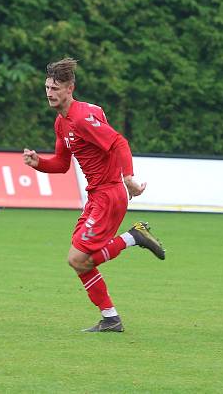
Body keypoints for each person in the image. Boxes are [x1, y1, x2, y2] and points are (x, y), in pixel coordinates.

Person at [23, 58, 165, 332]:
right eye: (47, 87)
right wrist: (38, 162)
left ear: (69, 88)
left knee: (77, 258)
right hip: (96, 197)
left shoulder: (81, 117)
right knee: (80, 262)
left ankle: (133, 237)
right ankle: (110, 318)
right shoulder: (62, 123)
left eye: (55, 88)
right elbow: (62, 165)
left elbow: (118, 142)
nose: (50, 93)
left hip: (109, 195)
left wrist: (128, 178)